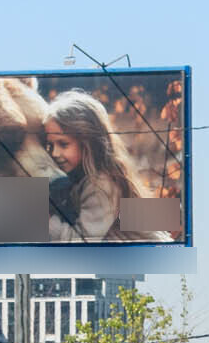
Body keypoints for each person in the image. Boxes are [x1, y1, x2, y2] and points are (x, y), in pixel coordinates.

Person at [42, 89, 155, 241]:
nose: (54, 153)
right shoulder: (81, 176)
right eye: (50, 145)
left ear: (87, 142)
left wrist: (46, 221)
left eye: (63, 144)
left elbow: (81, 243)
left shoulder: (101, 184)